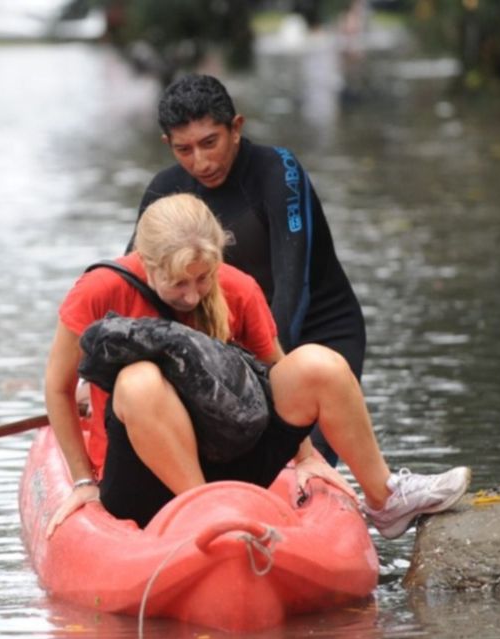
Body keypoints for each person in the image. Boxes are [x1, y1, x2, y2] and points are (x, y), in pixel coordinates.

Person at [48, 193, 469, 537]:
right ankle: (207, 511)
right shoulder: (99, 289)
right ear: (148, 262)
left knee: (318, 364)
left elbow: (278, 375)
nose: (192, 296)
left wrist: (307, 458)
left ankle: (386, 498)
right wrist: (83, 481)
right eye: (178, 283)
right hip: (140, 477)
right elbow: (58, 387)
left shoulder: (239, 288)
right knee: (139, 379)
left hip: (231, 458)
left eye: (203, 278)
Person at [129, 74, 366, 467]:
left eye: (210, 142)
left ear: (236, 128)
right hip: (231, 344)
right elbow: (133, 285)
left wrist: (263, 379)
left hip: (318, 333)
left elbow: (294, 285)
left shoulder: (278, 172)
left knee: (304, 459)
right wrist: (98, 375)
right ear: (167, 144)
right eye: (184, 149)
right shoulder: (165, 189)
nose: (201, 162)